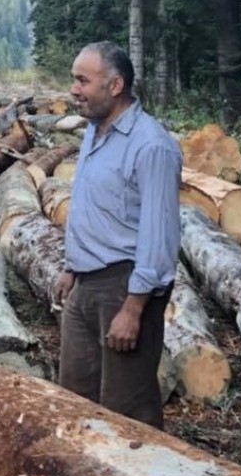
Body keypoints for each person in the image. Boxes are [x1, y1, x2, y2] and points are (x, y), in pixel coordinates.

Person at [52, 41, 181, 429]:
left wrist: (134, 307)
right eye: (73, 80)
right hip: (86, 286)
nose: (74, 90)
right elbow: (99, 210)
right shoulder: (95, 131)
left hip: (124, 287)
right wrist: (71, 268)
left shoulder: (151, 146)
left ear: (115, 85)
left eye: (82, 81)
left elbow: (159, 236)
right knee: (75, 397)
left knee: (128, 410)